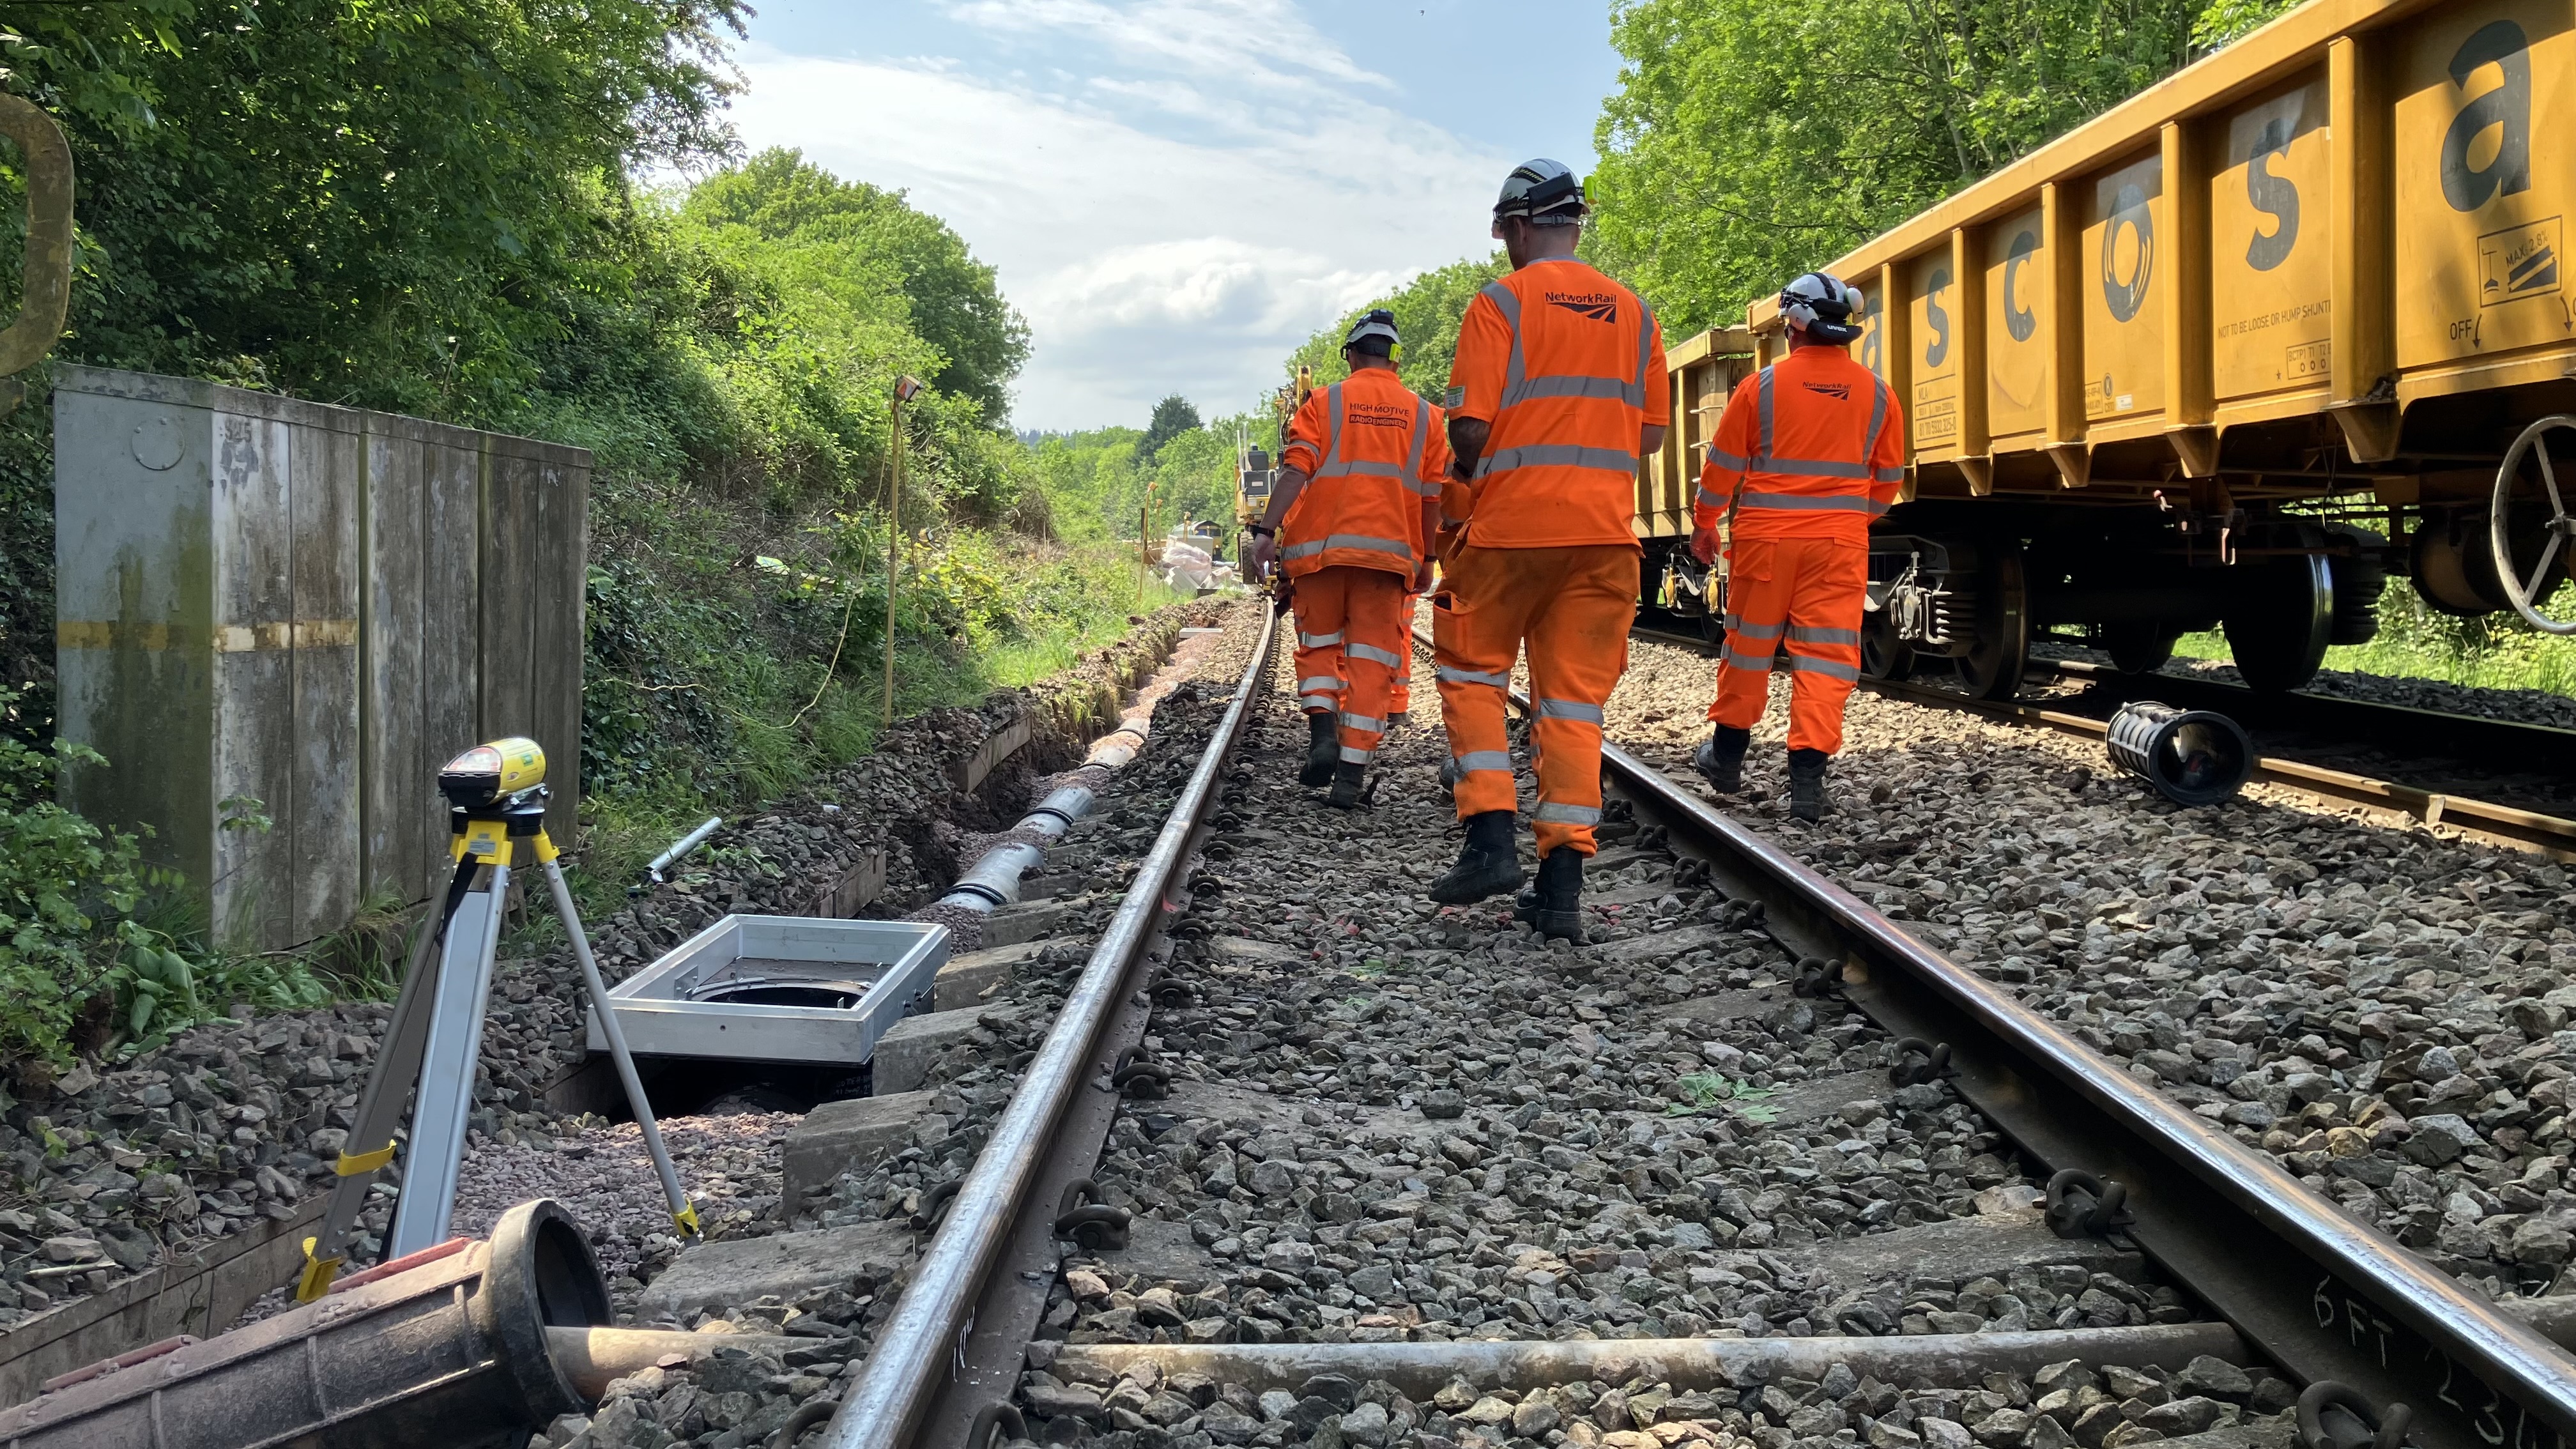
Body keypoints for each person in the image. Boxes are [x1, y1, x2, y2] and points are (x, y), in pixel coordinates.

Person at [1427, 158, 1667, 942]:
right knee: (1571, 708)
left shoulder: (1502, 301)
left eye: (1504, 231)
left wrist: (1479, 472)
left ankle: (1490, 838)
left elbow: (1469, 426)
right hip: (1605, 539)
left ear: (1521, 226)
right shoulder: (1638, 315)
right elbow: (1651, 436)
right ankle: (1561, 890)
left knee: (1473, 674)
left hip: (1512, 532)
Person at [1689, 271, 1905, 823]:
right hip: (1838, 546)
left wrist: (1705, 522)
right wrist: (1847, 519)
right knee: (1827, 659)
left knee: (1749, 647)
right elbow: (1888, 481)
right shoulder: (1880, 395)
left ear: (1795, 325)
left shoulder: (1760, 388)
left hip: (1766, 543)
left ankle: (1726, 759)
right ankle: (1808, 787)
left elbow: (1722, 468)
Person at [1246, 309, 1446, 808]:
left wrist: (1266, 532)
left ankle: (1322, 736)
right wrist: (1428, 558)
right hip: (1387, 563)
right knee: (1373, 667)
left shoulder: (1323, 402)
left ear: (1351, 355)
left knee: (1318, 649)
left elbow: (1295, 471)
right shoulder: (1427, 416)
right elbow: (1432, 498)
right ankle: (1351, 779)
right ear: (1394, 358)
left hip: (1322, 557)